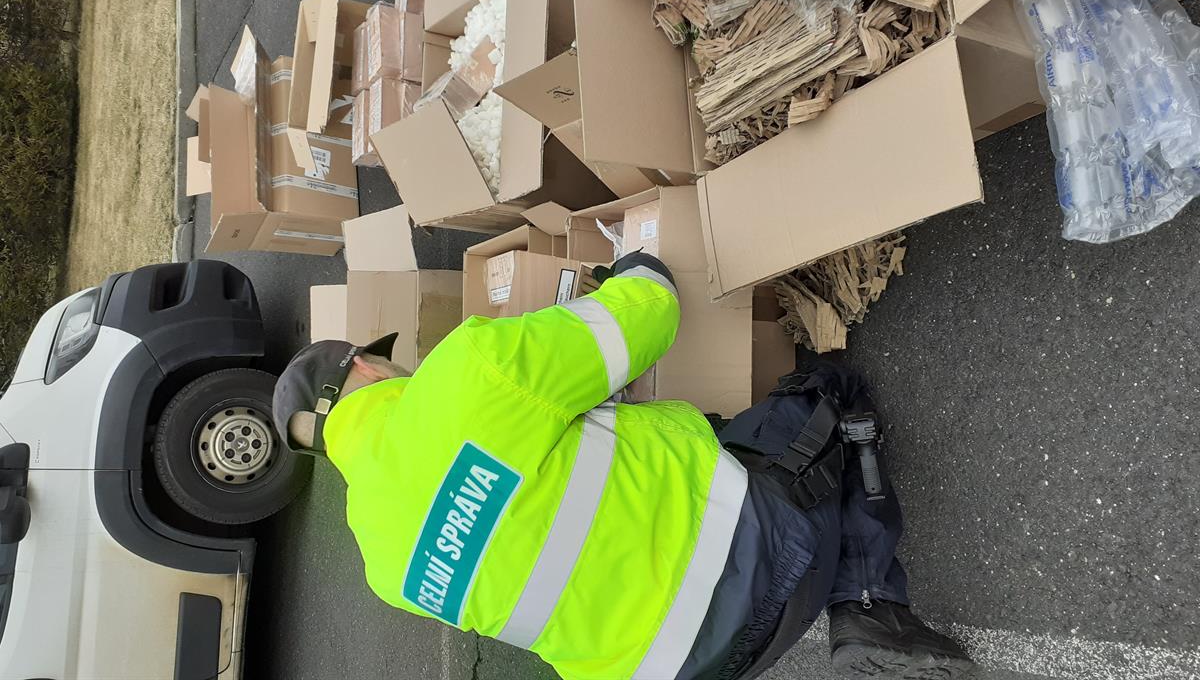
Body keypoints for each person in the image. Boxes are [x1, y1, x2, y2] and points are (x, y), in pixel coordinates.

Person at [273, 252, 976, 680]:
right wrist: (636, 267)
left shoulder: (383, 566)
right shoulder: (465, 373)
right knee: (830, 390)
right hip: (767, 563)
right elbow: (650, 312)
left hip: (688, 670)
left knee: (694, 437)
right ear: (363, 367)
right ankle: (871, 611)